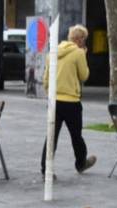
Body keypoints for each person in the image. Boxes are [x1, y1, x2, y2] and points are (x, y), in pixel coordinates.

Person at [40, 24, 97, 178]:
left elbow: (45, 80)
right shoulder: (78, 52)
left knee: (51, 135)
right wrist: (83, 55)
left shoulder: (52, 52)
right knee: (76, 136)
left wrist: (52, 93)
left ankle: (46, 169)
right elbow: (84, 76)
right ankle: (81, 163)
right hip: (71, 102)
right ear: (81, 39)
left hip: (54, 101)